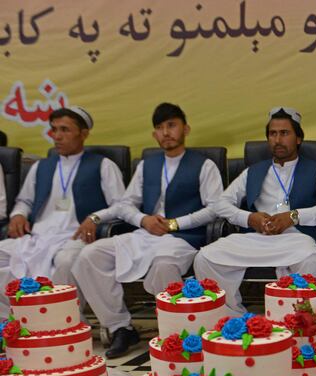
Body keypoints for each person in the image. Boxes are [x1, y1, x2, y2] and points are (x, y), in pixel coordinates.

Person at [72, 103, 224, 357]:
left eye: (171, 125)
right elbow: (125, 204)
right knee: (89, 256)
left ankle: (178, 337)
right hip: (145, 235)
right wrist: (143, 220)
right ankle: (120, 327)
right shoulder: (147, 165)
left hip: (182, 238)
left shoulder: (204, 165)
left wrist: (176, 223)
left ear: (185, 128)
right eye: (160, 128)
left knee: (164, 267)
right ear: (154, 134)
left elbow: (215, 209)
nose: (166, 132)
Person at [193, 106, 316, 315]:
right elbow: (221, 203)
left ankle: (299, 323)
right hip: (257, 237)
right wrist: (249, 218)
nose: (278, 139)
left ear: (299, 138)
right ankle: (232, 318)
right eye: (272, 134)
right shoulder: (253, 172)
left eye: (284, 133)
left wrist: (294, 216)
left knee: (311, 261)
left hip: (295, 239)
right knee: (205, 258)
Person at [0, 106, 125, 318]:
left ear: (83, 134)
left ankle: (66, 323)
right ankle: (12, 322)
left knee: (66, 261)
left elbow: (122, 206)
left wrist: (96, 218)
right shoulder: (41, 167)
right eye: (54, 130)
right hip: (39, 236)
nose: (57, 136)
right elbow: (24, 200)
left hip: (77, 237)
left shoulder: (103, 165)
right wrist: (18, 215)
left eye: (65, 130)